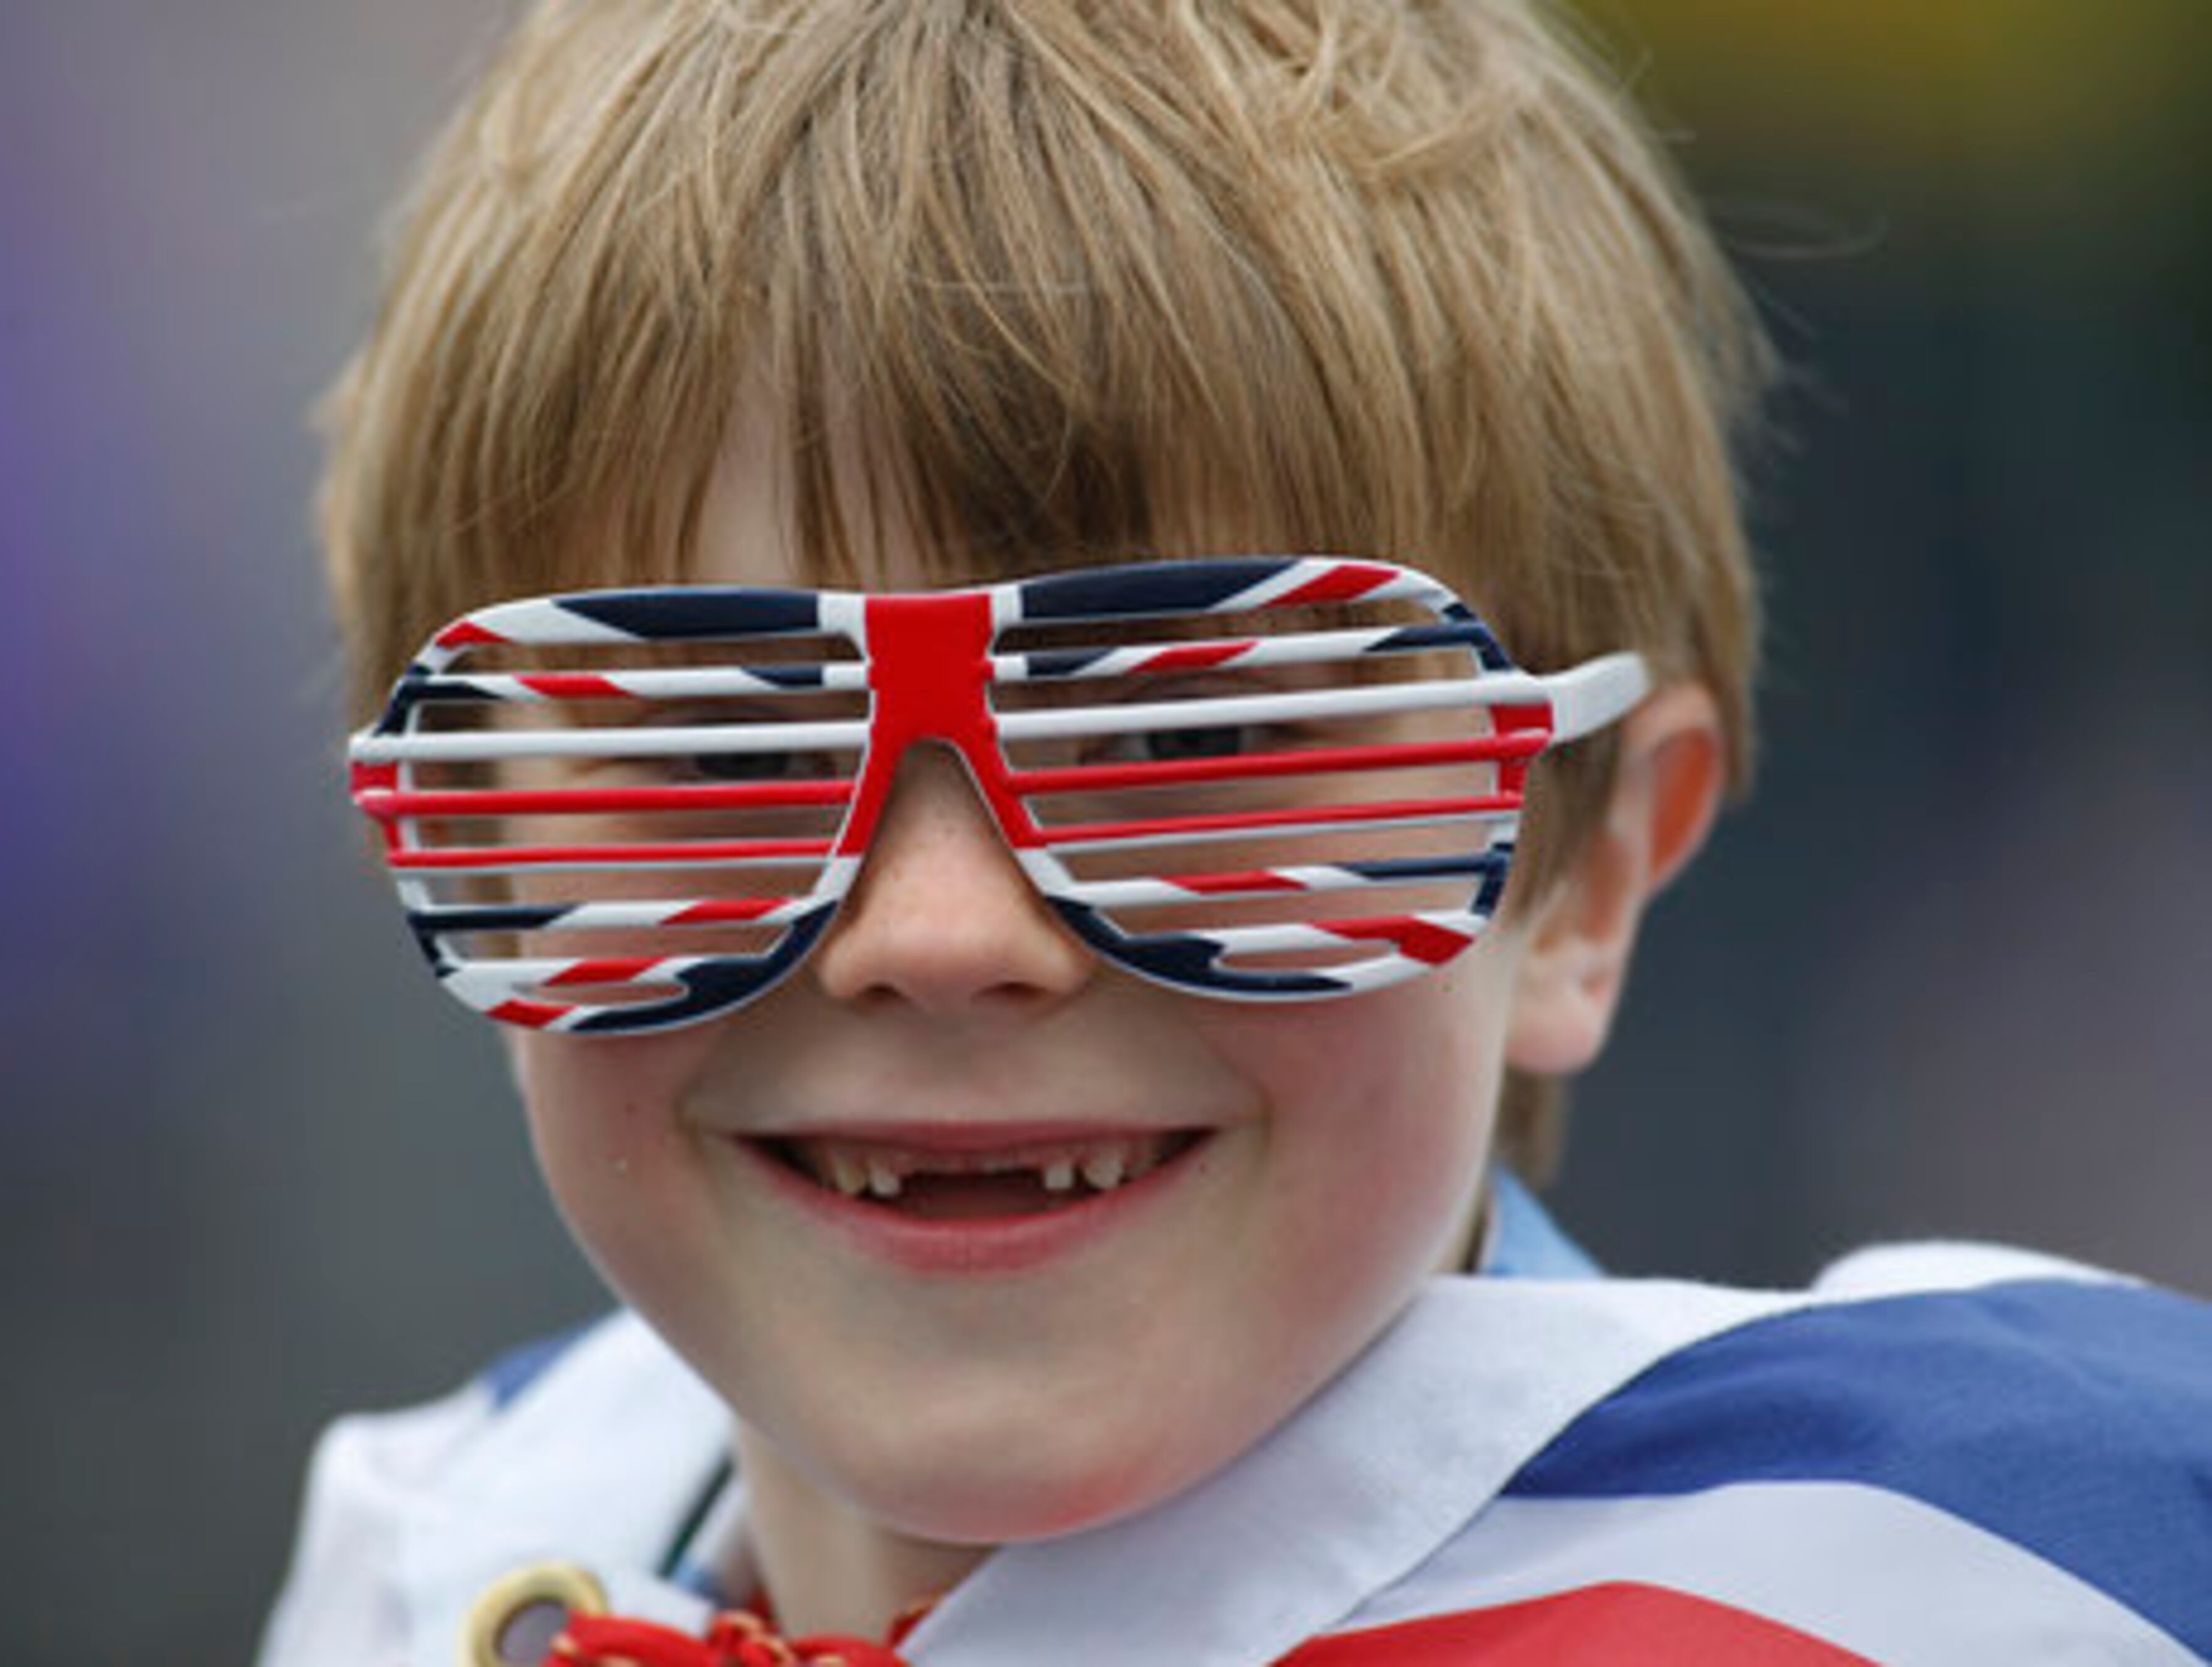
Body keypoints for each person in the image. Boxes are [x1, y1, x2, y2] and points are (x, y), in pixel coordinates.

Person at [260, 3, 2212, 1663]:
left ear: (1588, 877)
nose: (942, 929)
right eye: (701, 746)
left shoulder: (2002, 1579)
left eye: (1204, 733)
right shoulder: (418, 1569)